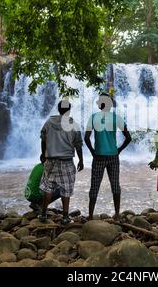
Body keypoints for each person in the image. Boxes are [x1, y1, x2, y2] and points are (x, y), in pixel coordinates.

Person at [84, 92, 131, 221]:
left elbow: (86, 138)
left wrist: (93, 152)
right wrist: (119, 150)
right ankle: (116, 214)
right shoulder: (116, 118)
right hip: (113, 156)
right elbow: (129, 137)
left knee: (94, 186)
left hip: (98, 156)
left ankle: (90, 215)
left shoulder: (93, 117)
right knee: (115, 185)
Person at [39, 100, 84, 224]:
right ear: (69, 110)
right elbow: (78, 145)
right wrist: (81, 159)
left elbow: (43, 139)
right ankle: (65, 216)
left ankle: (43, 214)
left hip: (51, 160)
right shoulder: (73, 124)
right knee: (66, 189)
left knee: (48, 188)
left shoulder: (49, 122)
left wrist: (43, 154)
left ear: (58, 109)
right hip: (66, 161)